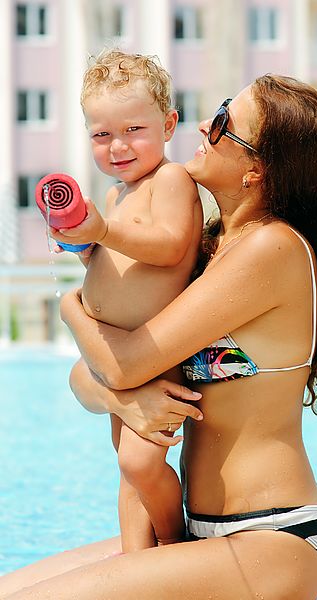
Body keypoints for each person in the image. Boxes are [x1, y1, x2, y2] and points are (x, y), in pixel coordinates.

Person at [0, 74, 317, 600]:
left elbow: (119, 364)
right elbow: (87, 377)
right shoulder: (204, 250)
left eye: (222, 124)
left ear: (256, 168)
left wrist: (70, 309)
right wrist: (131, 400)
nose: (202, 126)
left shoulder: (273, 250)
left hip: (270, 537)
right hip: (193, 534)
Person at [50, 49, 203, 552]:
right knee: (127, 464)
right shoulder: (117, 195)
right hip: (116, 352)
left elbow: (171, 246)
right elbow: (114, 268)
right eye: (101, 134)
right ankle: (135, 557)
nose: (117, 146)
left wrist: (106, 231)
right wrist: (83, 246)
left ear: (168, 124)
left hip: (155, 352)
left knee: (140, 461)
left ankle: (175, 545)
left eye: (133, 129)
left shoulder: (172, 180)